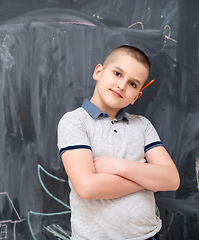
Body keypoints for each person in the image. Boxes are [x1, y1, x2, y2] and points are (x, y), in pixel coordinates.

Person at [57, 45, 180, 240]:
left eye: (133, 84)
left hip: (148, 235)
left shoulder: (143, 125)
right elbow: (88, 187)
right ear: (98, 71)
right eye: (117, 73)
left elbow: (171, 180)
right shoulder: (75, 121)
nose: (122, 85)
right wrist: (147, 180)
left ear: (137, 96)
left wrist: (116, 165)